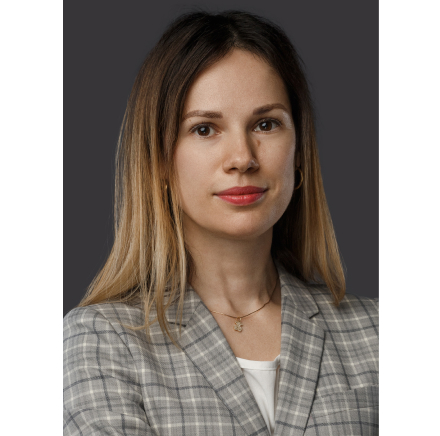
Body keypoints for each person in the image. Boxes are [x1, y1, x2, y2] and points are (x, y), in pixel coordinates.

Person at [63, 10, 378, 436]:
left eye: (266, 124)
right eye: (204, 129)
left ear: (299, 150)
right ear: (160, 160)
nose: (242, 158)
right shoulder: (102, 341)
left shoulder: (378, 335)